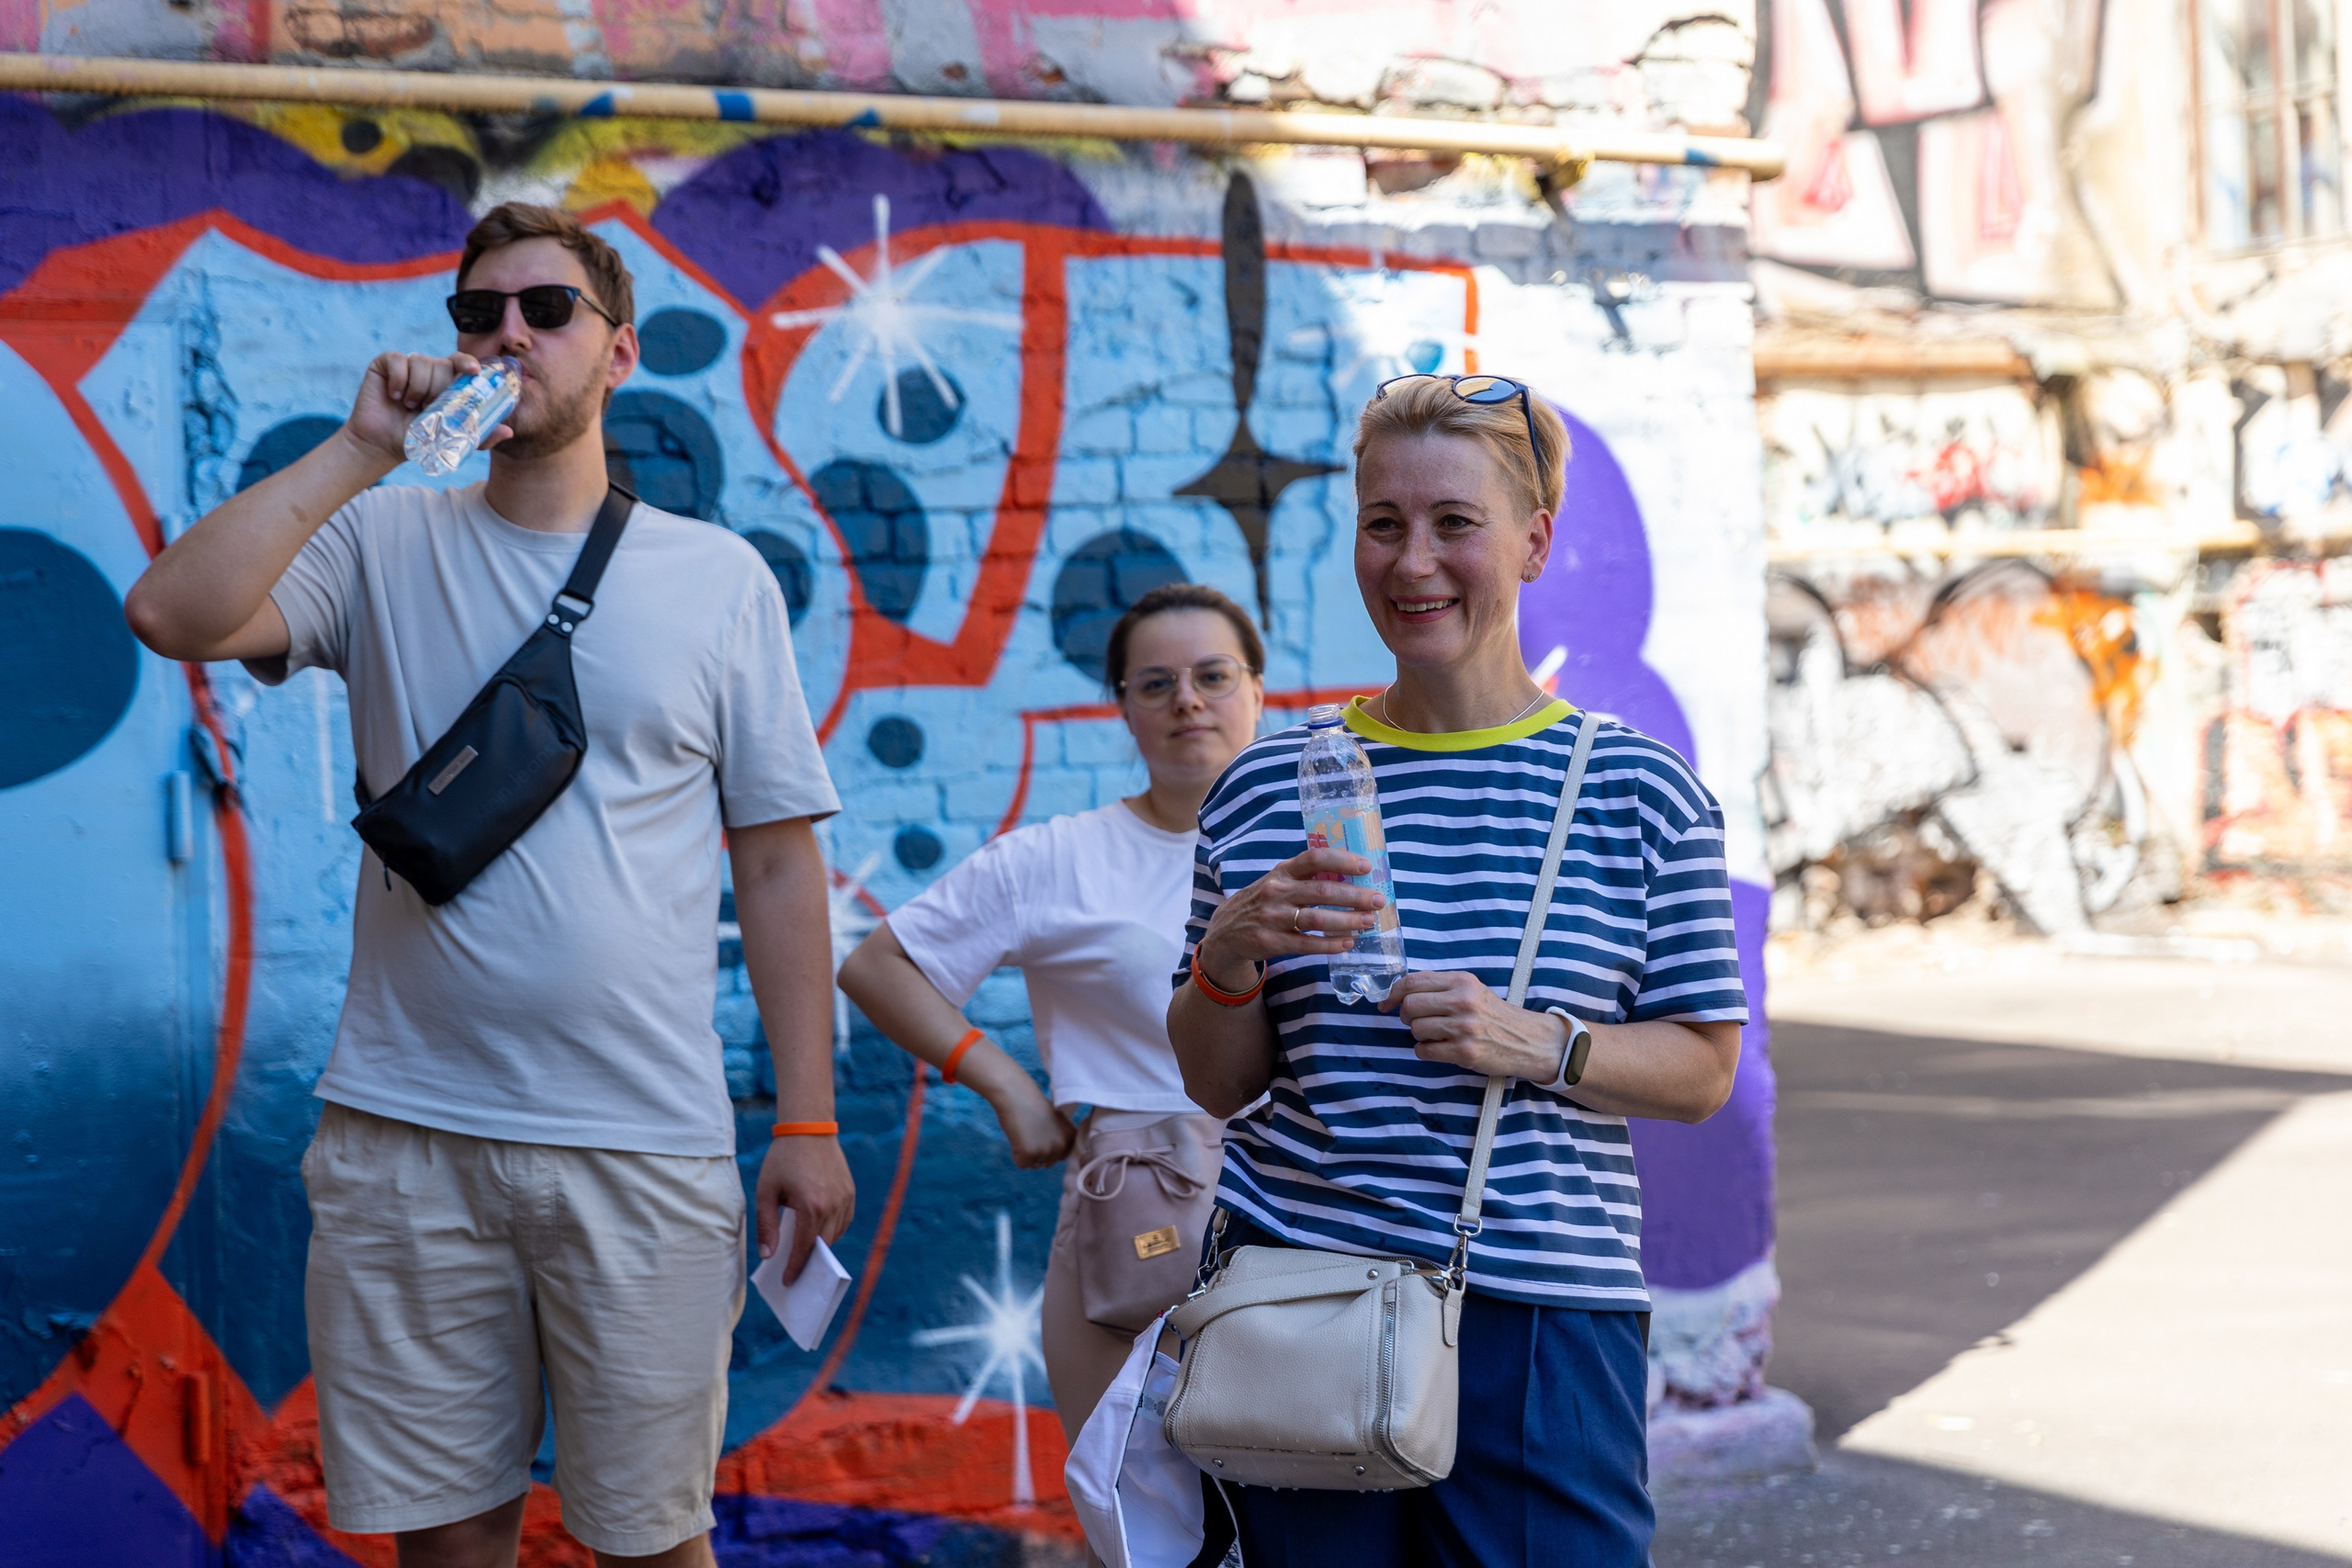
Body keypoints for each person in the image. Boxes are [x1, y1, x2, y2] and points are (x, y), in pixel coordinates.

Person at [122, 203, 853, 1568]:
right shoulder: (381, 542)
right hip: (408, 1137)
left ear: (619, 350)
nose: (507, 333)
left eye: (547, 309)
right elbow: (173, 613)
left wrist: (807, 1114)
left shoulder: (717, 580)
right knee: (449, 1546)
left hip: (640, 1138)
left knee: (651, 1539)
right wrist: (358, 450)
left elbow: (775, 856)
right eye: (478, 312)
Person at [1165, 374, 1747, 1567]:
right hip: (1303, 1301)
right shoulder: (1272, 784)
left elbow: (1701, 1070)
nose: (1414, 560)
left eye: (1455, 523)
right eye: (1385, 522)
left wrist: (1539, 1039)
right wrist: (1227, 955)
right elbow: (1217, 1082)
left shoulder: (1643, 793)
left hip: (1542, 1322)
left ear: (1533, 540)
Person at [838, 583, 1265, 1444]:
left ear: (1258, 688)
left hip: (1299, 1203)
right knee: (1136, 1512)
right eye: (1155, 683)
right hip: (1134, 1215)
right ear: (1124, 710)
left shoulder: (1316, 842)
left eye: (1213, 675)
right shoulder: (1060, 858)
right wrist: (1004, 1084)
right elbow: (877, 964)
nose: (1187, 699)